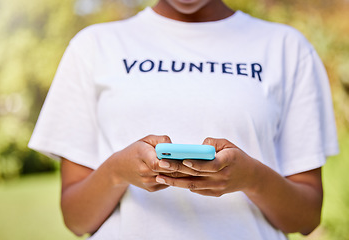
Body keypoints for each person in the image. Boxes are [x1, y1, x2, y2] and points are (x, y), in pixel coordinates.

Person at [28, 0, 339, 239]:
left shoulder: (288, 48)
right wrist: (117, 171)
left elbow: (306, 216)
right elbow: (76, 219)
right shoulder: (93, 46)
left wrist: (251, 178)